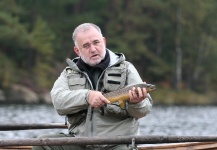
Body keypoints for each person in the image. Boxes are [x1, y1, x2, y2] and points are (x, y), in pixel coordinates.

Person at [32, 23, 153, 150]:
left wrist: (136, 103)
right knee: (41, 145)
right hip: (79, 143)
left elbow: (143, 111)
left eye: (96, 42)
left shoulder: (126, 69)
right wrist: (86, 97)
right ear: (77, 50)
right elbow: (58, 102)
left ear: (104, 41)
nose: (93, 49)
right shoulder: (68, 74)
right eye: (86, 45)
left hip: (118, 144)